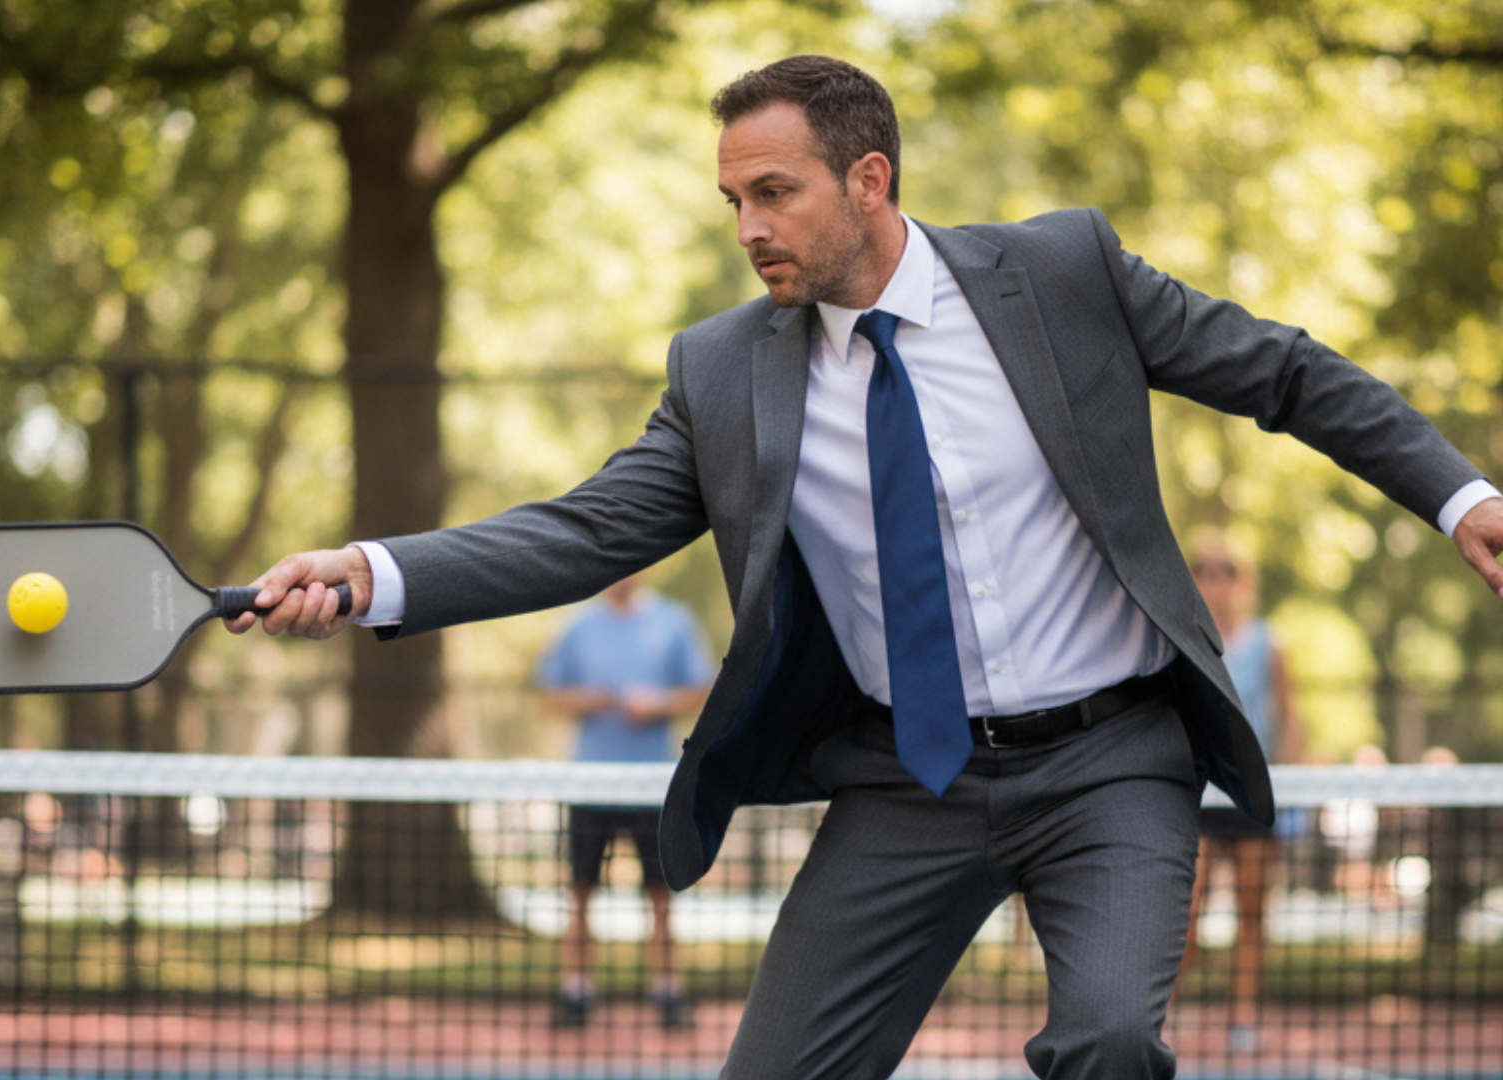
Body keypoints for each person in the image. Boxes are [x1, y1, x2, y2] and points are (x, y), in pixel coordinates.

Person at [228, 54, 1503, 1080]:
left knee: (1109, 1042)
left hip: (1113, 761)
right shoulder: (725, 370)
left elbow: (1282, 371)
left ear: (869, 179)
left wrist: (1461, 498)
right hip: (907, 779)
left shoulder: (1060, 276)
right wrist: (367, 570)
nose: (748, 227)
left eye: (774, 192)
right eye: (732, 200)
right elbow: (586, 529)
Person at [535, 573, 714, 1029]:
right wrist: (585, 700)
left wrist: (656, 704)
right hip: (589, 785)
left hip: (652, 787)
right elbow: (551, 693)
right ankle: (575, 994)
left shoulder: (675, 622)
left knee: (661, 896)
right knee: (579, 894)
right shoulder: (578, 624)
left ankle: (668, 995)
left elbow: (701, 689)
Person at [1178, 535, 1304, 1052]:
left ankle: (1245, 1019)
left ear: (1241, 581)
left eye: (1225, 571)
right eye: (1204, 570)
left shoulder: (1267, 644)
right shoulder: (1183, 637)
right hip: (1198, 800)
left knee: (1253, 917)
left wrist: (1293, 782)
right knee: (1183, 920)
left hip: (1251, 798)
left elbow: (1290, 718)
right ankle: (1161, 1014)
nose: (1215, 580)